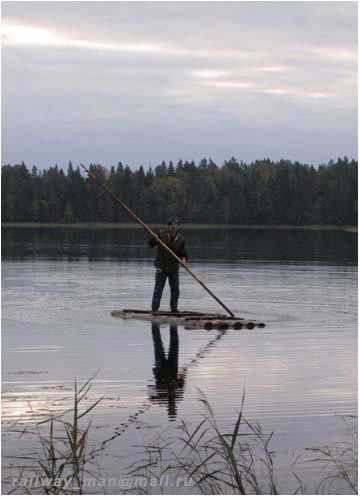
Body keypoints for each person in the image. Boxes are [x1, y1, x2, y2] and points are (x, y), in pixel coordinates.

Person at [148, 216, 188, 312]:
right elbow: (150, 244)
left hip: (173, 268)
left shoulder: (181, 239)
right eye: (171, 224)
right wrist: (155, 239)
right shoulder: (161, 234)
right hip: (161, 267)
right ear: (169, 226)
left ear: (178, 226)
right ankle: (154, 310)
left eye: (175, 224)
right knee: (158, 290)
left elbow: (183, 254)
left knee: (175, 290)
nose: (173, 226)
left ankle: (174, 310)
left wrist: (183, 261)